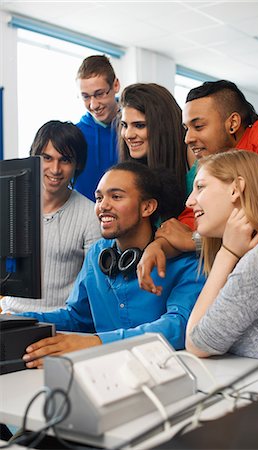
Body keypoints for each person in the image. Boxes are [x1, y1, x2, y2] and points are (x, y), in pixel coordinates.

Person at [19, 162, 205, 368]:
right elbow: (77, 316)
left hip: (165, 371)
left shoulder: (186, 261)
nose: (103, 206)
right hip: (107, 371)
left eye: (116, 197)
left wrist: (97, 343)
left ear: (147, 207)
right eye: (99, 198)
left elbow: (178, 327)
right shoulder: (98, 254)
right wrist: (16, 320)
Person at [137, 79, 258, 293]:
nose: (188, 138)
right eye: (186, 129)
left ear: (232, 123)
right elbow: (188, 221)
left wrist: (195, 241)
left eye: (198, 126)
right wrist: (159, 246)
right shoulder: (212, 166)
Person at [185, 150, 258, 367]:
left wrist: (227, 253)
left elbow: (197, 342)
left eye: (200, 187)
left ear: (236, 189)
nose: (190, 201)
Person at [1, 121, 101, 314]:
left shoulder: (91, 216)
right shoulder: (11, 203)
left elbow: (93, 287)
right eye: (47, 158)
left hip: (61, 323)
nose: (55, 169)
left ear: (77, 164)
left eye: (65, 160)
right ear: (35, 158)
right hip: (10, 315)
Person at [119, 82, 196, 229]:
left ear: (163, 127)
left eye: (139, 125)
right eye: (124, 125)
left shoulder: (192, 158)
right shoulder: (134, 170)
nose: (128, 134)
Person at [75, 55, 120, 201]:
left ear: (116, 85)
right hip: (84, 221)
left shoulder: (135, 131)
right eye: (86, 97)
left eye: (99, 94)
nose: (93, 105)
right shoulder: (75, 135)